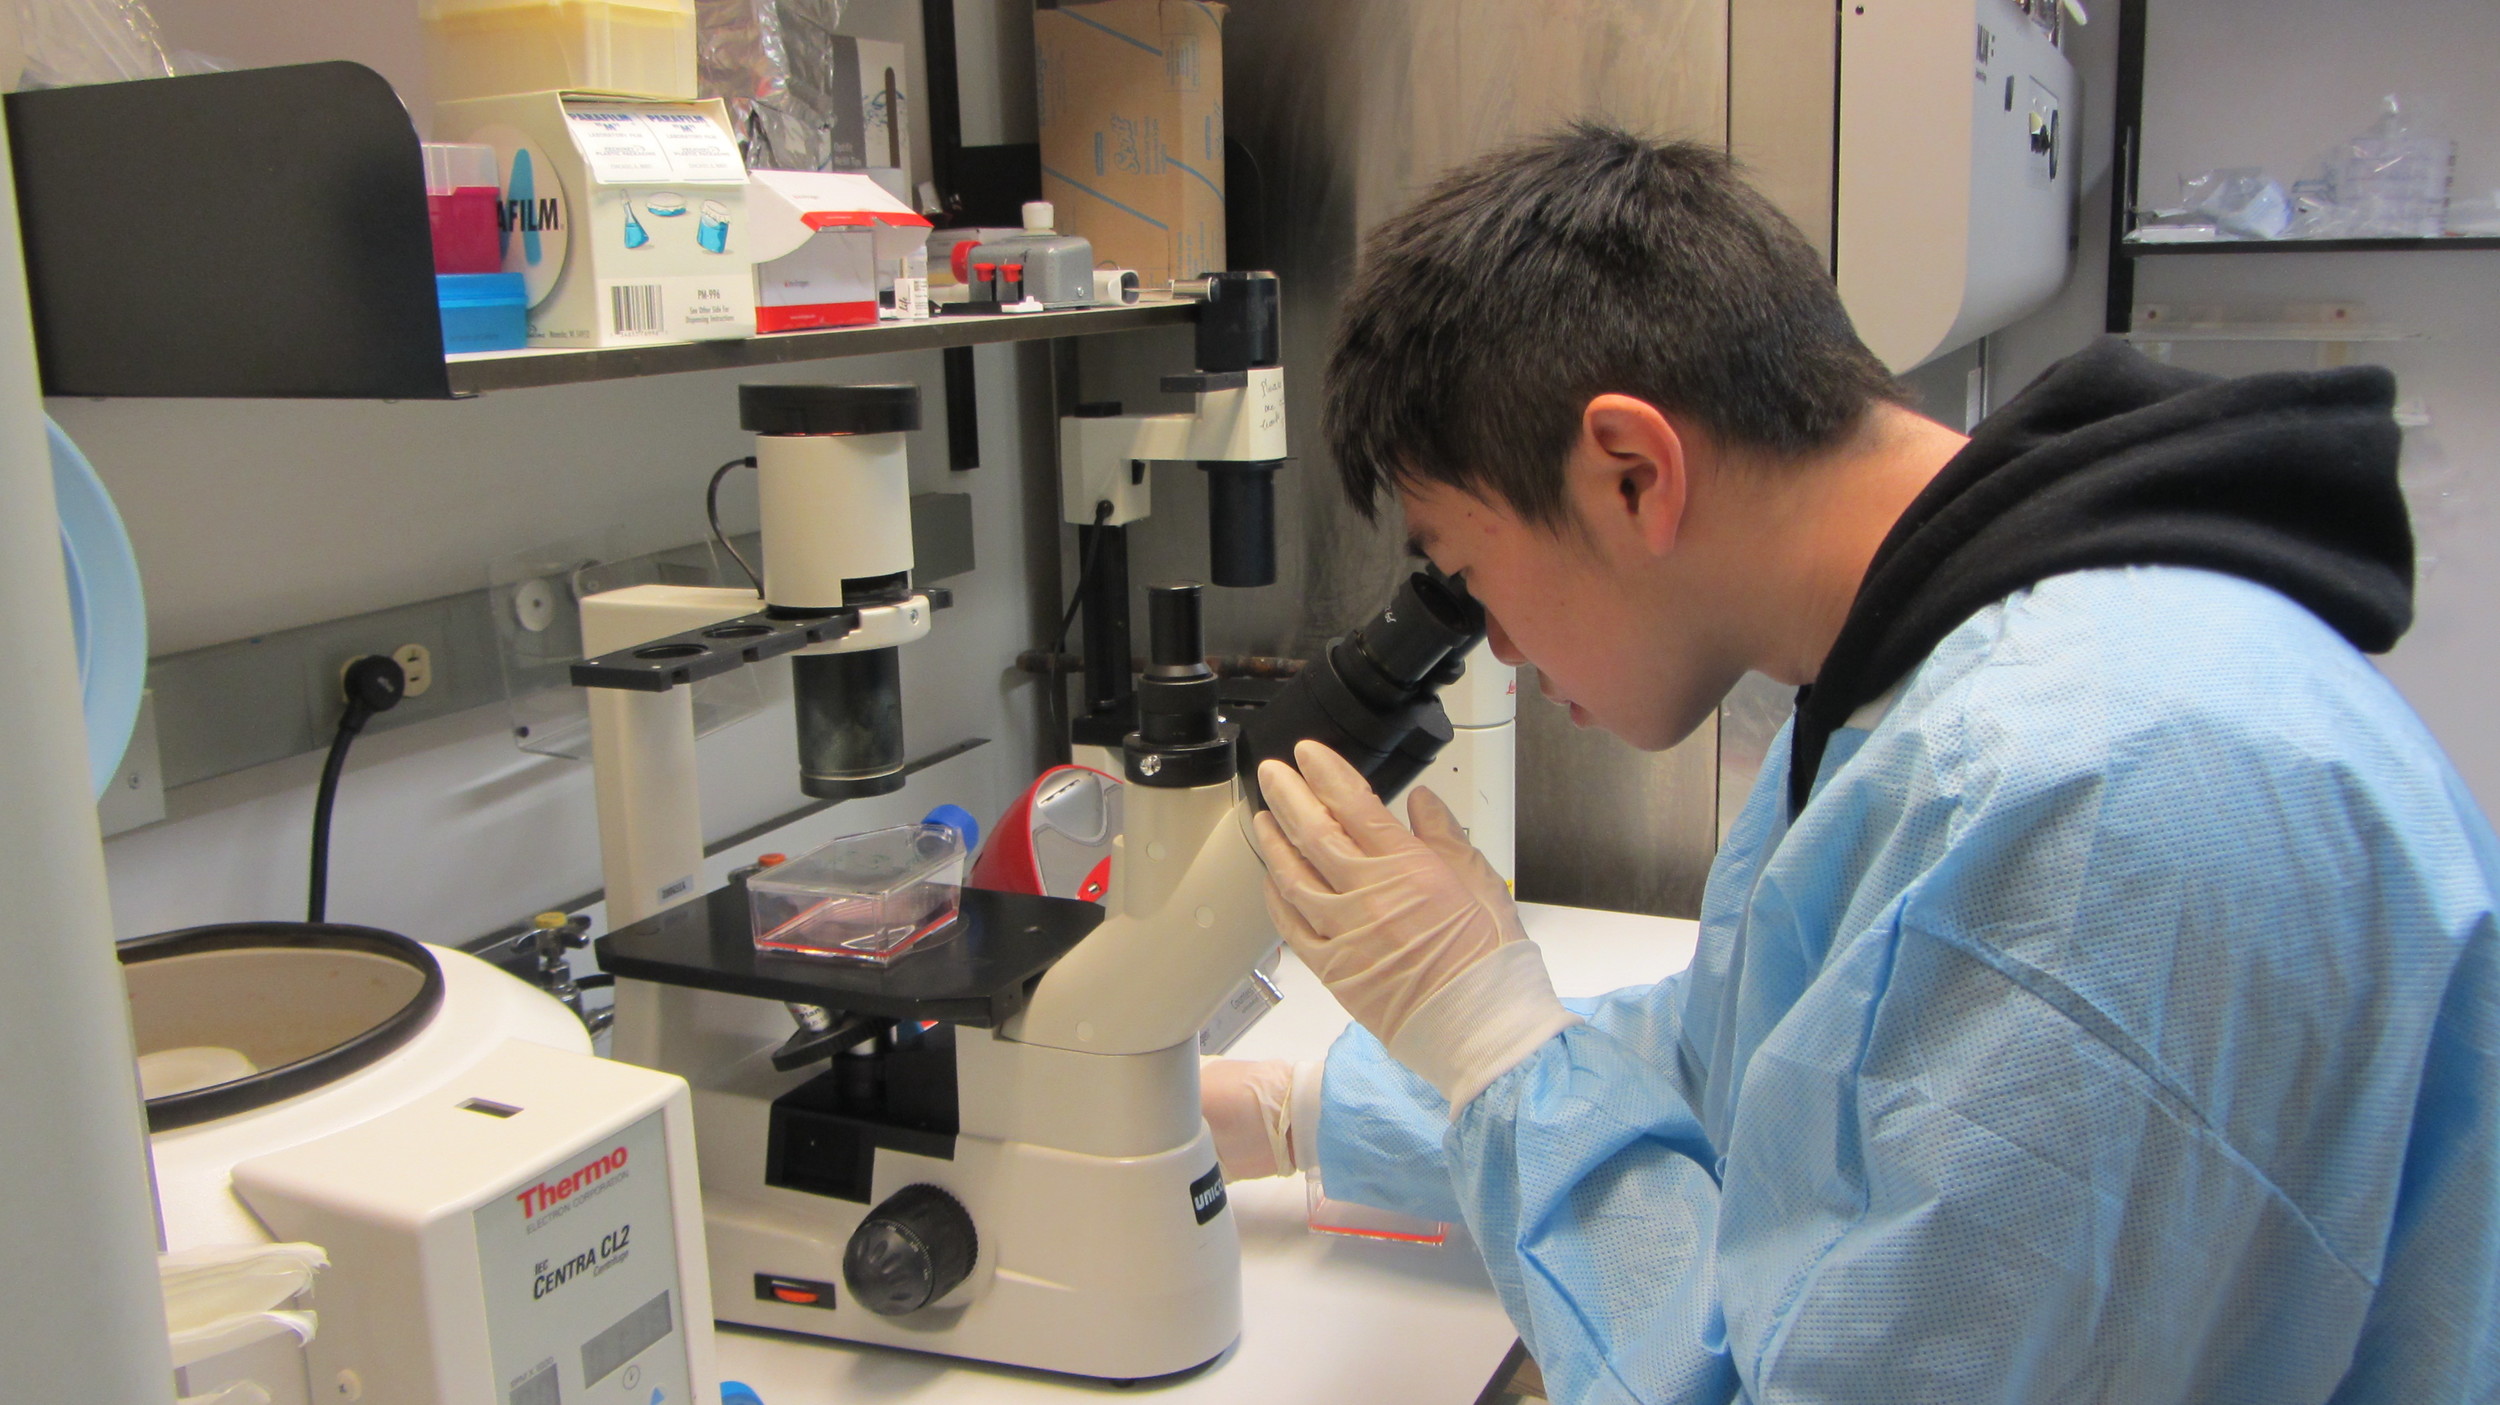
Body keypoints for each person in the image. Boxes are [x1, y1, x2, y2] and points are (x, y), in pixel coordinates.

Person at [1202, 123, 2500, 1403]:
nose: (1487, 637)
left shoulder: (2090, 797)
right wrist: (1302, 1105)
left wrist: (1489, 1033)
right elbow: (1756, 1068)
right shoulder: (1943, 660)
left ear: (1633, 472)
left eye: (1465, 567)